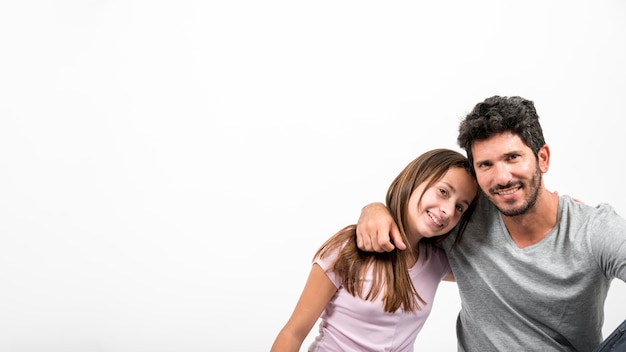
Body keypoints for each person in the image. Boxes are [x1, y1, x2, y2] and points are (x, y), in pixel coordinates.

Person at [355, 96, 626, 352]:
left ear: (542, 158)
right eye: (485, 164)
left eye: (512, 157)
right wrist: (376, 209)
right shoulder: (463, 215)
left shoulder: (592, 229)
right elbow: (413, 224)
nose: (502, 177)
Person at [270, 149, 479, 352]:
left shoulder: (437, 262)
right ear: (415, 179)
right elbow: (293, 333)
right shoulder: (349, 248)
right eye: (443, 192)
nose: (448, 210)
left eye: (460, 207)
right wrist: (374, 207)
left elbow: (485, 267)